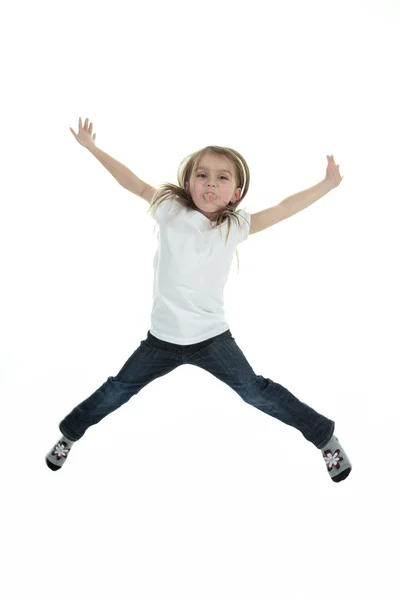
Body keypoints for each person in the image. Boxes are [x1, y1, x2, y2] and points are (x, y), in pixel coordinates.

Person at [46, 117, 352, 483]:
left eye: (222, 178)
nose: (211, 183)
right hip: (161, 340)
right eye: (202, 175)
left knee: (255, 391)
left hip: (211, 339)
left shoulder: (234, 226)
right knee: (117, 389)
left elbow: (285, 207)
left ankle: (325, 439)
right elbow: (133, 182)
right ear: (188, 183)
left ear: (235, 192)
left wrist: (327, 185)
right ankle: (69, 434)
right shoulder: (169, 209)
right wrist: (94, 149)